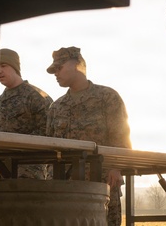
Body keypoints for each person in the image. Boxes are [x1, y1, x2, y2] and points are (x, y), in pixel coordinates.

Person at [45, 46, 131, 226]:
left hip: (101, 185)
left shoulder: (107, 97)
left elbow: (121, 136)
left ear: (77, 65)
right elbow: (50, 148)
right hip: (65, 188)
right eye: (54, 70)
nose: (56, 73)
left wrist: (116, 168)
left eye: (59, 68)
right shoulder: (57, 107)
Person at [0, 48, 53, 179]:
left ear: (15, 67)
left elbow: (49, 132)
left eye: (3, 66)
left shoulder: (37, 97)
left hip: (29, 172)